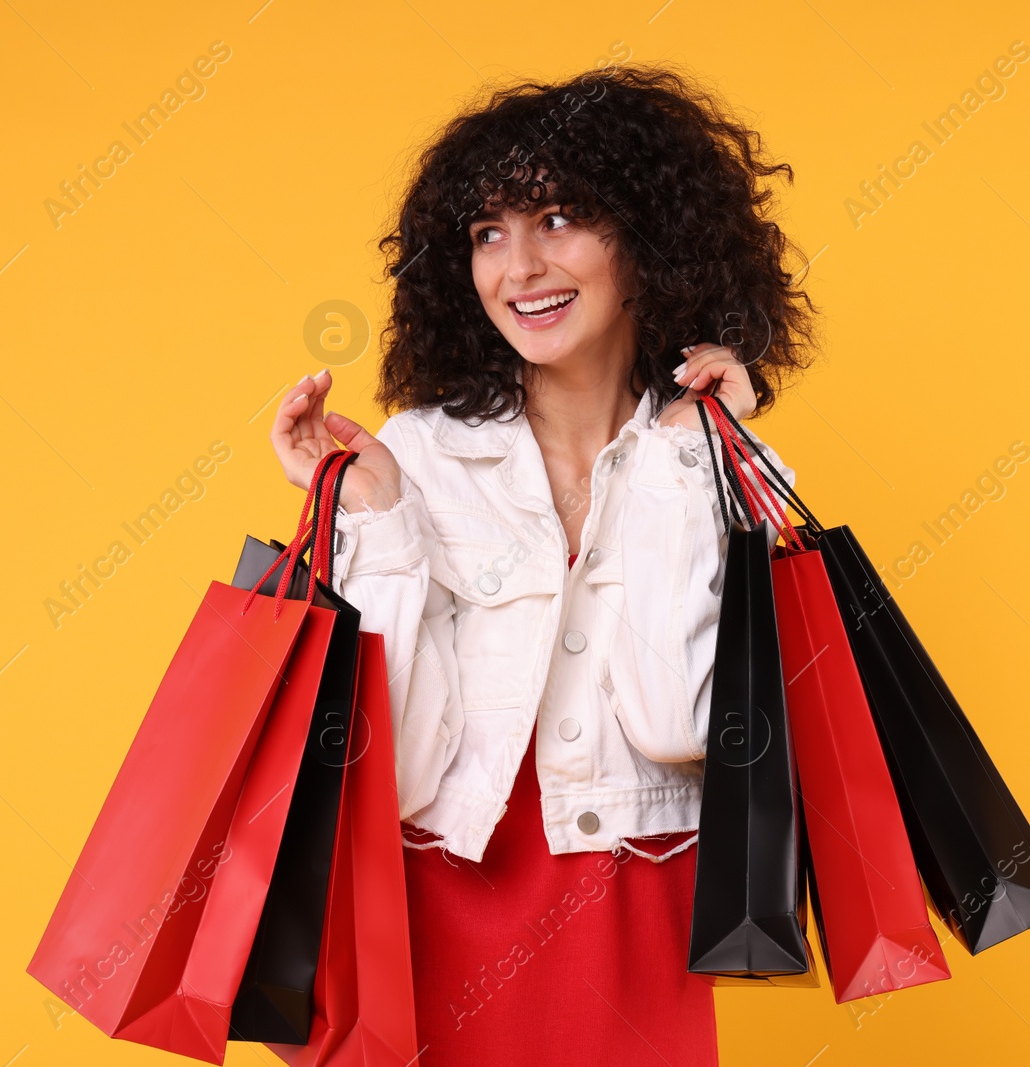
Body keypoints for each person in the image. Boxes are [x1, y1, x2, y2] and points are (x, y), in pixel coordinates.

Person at [269, 64, 818, 1066]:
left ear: (648, 241)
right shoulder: (420, 454)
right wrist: (383, 523)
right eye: (487, 232)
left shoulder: (725, 463)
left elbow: (678, 719)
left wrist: (678, 461)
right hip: (431, 901)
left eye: (559, 217)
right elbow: (379, 774)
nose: (517, 265)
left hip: (627, 906)